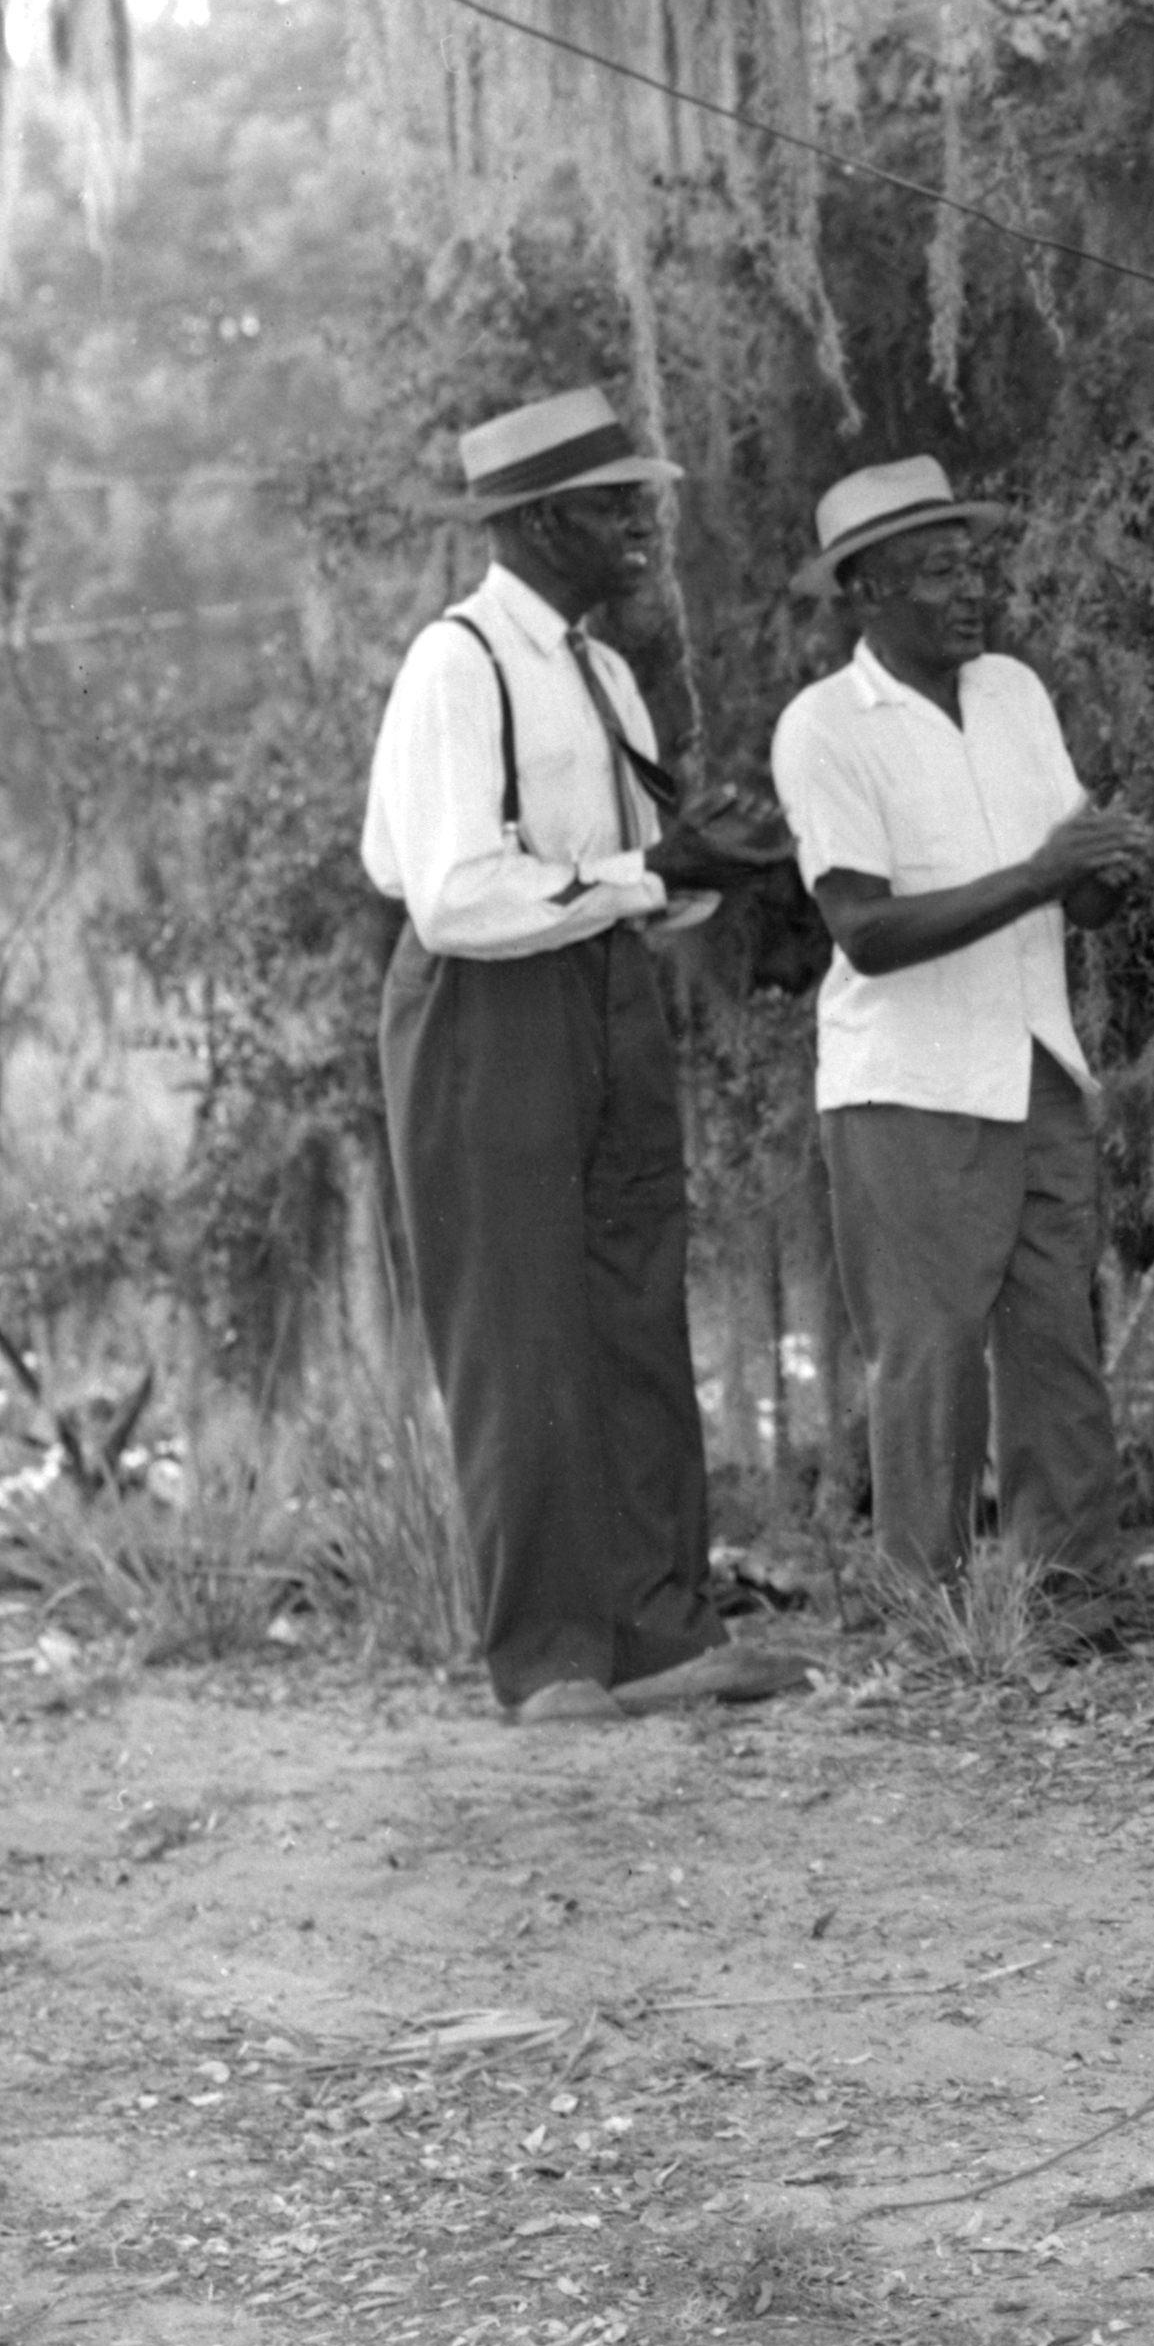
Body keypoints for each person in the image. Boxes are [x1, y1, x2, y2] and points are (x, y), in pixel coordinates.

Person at [362, 386, 798, 1723]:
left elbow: (628, 883)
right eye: (617, 505)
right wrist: (643, 868)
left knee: (635, 1301)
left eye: (642, 502)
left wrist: (700, 862)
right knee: (520, 1323)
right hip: (488, 1010)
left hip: (605, 993)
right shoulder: (461, 661)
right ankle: (551, 1656)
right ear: (543, 519)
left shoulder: (602, 671)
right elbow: (454, 896)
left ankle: (662, 1633)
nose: (642, 528)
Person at [769, 458, 1154, 1608]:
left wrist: (1104, 872)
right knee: (930, 1359)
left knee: (1056, 1341)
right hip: (910, 1085)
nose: (972, 586)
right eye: (938, 569)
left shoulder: (1014, 694)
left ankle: (1071, 1592)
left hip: (1035, 1061)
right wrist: (1043, 871)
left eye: (975, 562)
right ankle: (925, 1618)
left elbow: (1071, 888)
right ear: (868, 591)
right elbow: (866, 931)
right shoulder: (825, 729)